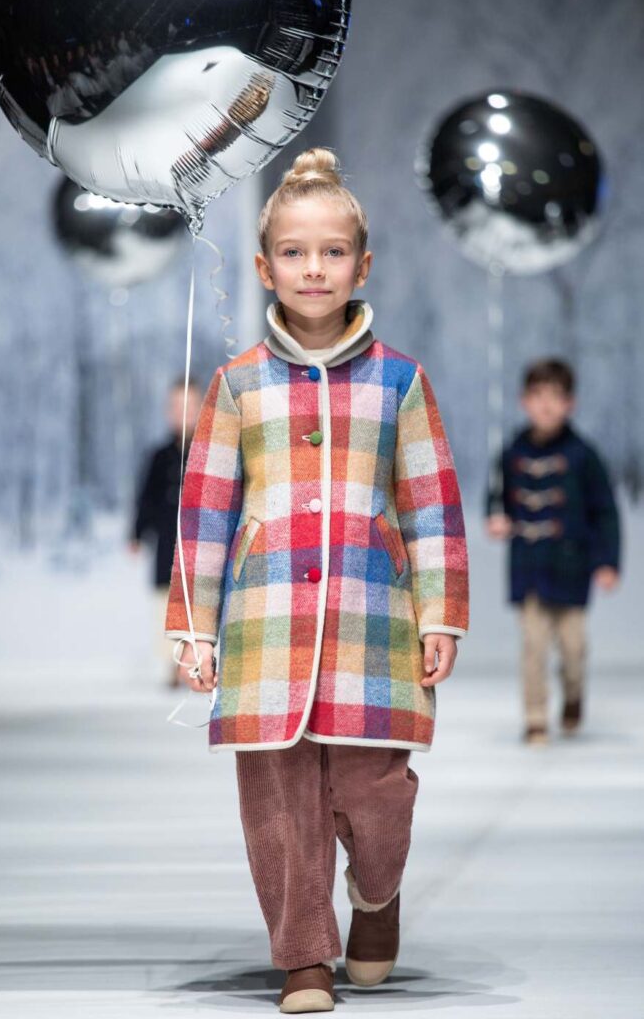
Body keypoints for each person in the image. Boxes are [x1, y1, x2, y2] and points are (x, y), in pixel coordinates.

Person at [164, 148, 469, 1013]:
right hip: (265, 631)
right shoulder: (236, 386)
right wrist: (192, 626)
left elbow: (431, 503)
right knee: (277, 802)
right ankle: (303, 955)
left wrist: (439, 613)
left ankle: (376, 895)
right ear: (264, 267)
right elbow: (206, 511)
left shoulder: (400, 381)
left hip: (373, 625)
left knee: (376, 796)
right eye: (294, 252)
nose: (313, 268)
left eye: (332, 252)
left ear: (362, 265)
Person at [486, 358, 620, 746]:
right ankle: (536, 717)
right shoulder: (511, 453)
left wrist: (607, 561)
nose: (546, 406)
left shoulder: (582, 455)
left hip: (573, 568)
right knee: (533, 645)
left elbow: (605, 511)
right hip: (530, 566)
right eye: (537, 396)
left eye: (555, 397)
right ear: (524, 401)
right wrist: (497, 518)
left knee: (575, 648)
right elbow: (497, 497)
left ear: (569, 404)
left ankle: (574, 696)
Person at [130, 375, 203, 687]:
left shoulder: (209, 450)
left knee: (199, 603)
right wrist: (136, 533)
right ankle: (173, 665)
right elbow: (145, 497)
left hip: (201, 547)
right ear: (167, 411)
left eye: (190, 406)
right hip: (166, 549)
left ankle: (197, 661)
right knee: (166, 605)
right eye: (177, 406)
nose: (183, 413)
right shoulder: (159, 456)